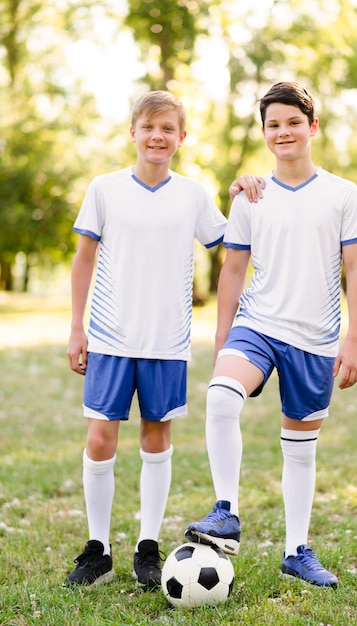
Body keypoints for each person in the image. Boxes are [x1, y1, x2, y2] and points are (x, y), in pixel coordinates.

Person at [185, 81, 357, 588]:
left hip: (315, 339)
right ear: (264, 132)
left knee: (300, 446)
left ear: (312, 127)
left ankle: (296, 551)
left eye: (293, 122)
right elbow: (232, 271)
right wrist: (223, 338)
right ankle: (225, 510)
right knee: (221, 397)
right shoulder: (253, 195)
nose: (283, 131)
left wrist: (354, 340)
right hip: (258, 324)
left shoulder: (342, 194)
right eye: (273, 124)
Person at [64, 90, 232, 589]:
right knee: (100, 439)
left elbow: (234, 245)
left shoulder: (195, 194)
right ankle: (98, 549)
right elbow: (84, 259)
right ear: (132, 132)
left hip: (167, 343)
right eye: (148, 127)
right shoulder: (104, 189)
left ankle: (147, 547)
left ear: (182, 138)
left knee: (156, 439)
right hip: (111, 339)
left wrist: (248, 192)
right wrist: (77, 326)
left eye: (167, 129)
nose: (157, 136)